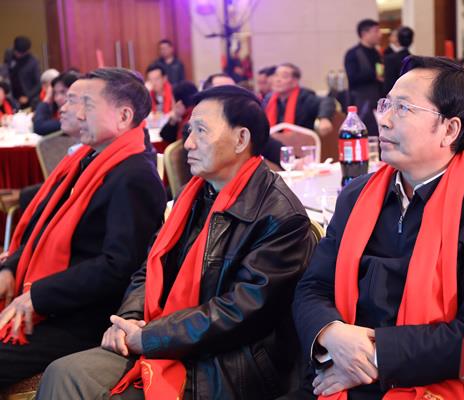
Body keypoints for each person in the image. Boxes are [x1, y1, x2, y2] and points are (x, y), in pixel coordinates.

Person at [38, 85, 315, 400]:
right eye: (189, 131)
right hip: (167, 335)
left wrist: (151, 337)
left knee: (78, 384)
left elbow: (241, 312)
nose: (189, 143)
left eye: (201, 131)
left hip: (226, 364)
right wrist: (130, 318)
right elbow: (150, 267)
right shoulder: (193, 194)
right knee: (62, 372)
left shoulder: (279, 215)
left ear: (241, 139)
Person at [292, 56, 464, 399]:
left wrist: (371, 357)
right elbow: (312, 288)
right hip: (335, 374)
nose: (383, 119)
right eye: (386, 104)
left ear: (450, 130)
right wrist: (331, 333)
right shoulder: (356, 195)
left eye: (403, 108)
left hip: (428, 383)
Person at [0, 68, 167, 387]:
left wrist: (38, 296)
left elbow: (118, 267)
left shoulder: (134, 175)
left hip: (83, 317)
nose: (71, 110)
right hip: (55, 301)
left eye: (85, 104)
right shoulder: (85, 160)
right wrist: (10, 269)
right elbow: (42, 233)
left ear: (123, 116)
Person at [262, 63, 335, 139]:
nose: (278, 80)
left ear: (295, 81)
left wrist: (324, 118)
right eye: (276, 75)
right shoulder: (268, 99)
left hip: (301, 142)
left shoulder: (305, 97)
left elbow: (327, 101)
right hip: (274, 142)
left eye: (284, 76)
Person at [344, 19, 384, 136]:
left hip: (377, 102)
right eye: (376, 31)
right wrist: (374, 75)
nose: (380, 35)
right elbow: (352, 78)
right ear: (364, 33)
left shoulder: (377, 53)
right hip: (361, 103)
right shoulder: (353, 53)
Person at [4, 36, 41, 109]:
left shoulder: (33, 62)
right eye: (16, 52)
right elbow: (6, 70)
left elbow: (39, 84)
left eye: (21, 53)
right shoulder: (9, 54)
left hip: (27, 98)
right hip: (11, 96)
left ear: (27, 51)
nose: (18, 54)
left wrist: (28, 96)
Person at [383, 27, 414, 94]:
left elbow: (388, 84)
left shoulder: (390, 59)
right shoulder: (412, 58)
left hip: (395, 95)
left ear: (397, 39)